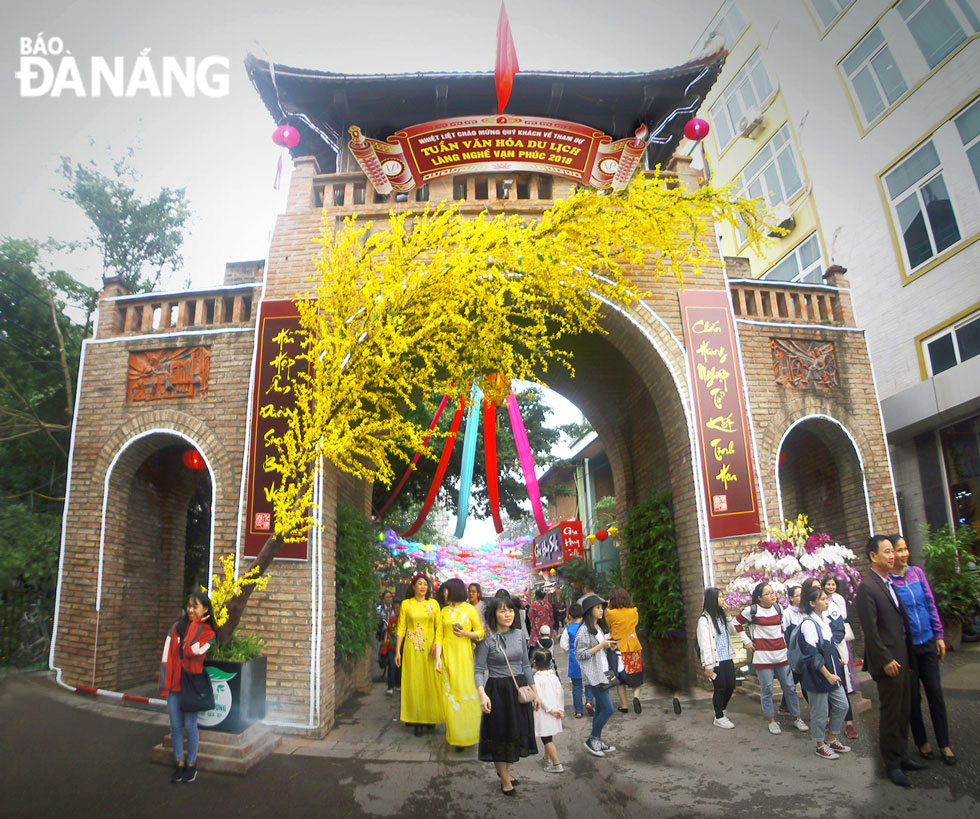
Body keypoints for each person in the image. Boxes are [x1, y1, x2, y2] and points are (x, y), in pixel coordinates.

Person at [855, 535, 926, 787]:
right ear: (873, 556)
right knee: (891, 712)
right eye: (887, 552)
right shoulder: (868, 587)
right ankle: (892, 764)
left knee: (905, 708)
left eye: (892, 551)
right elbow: (870, 631)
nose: (892, 555)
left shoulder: (888, 583)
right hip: (888, 662)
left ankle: (901, 755)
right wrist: (885, 659)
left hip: (904, 657)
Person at [890, 534, 956, 765]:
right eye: (898, 550)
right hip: (907, 649)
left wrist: (939, 635)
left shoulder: (917, 573)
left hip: (927, 642)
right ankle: (921, 741)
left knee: (936, 694)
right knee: (913, 698)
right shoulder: (889, 583)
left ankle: (944, 743)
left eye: (905, 548)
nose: (903, 554)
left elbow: (930, 603)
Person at [474, 593, 539, 795]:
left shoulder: (519, 634)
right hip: (498, 691)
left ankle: (505, 771)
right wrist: (482, 694)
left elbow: (526, 665)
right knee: (500, 735)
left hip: (518, 689)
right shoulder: (487, 637)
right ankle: (504, 779)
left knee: (514, 732)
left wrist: (535, 691)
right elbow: (478, 669)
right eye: (503, 610)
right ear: (494, 614)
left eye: (510, 610)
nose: (508, 614)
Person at [158, 591, 216, 784]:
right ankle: (179, 763)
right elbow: (167, 657)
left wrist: (196, 625)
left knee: (190, 726)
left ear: (205, 609)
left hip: (190, 686)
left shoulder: (208, 633)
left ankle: (192, 765)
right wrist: (164, 685)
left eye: (195, 606)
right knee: (175, 726)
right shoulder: (176, 628)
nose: (190, 610)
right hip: (174, 685)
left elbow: (192, 651)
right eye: (189, 606)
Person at [735, 582, 807, 735]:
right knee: (767, 689)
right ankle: (771, 720)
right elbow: (736, 623)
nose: (772, 595)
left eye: (772, 592)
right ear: (759, 598)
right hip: (763, 658)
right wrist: (747, 641)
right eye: (767, 594)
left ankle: (797, 717)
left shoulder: (779, 608)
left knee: (789, 687)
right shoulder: (752, 610)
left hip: (781, 654)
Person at [799, 585, 852, 760]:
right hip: (818, 675)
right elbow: (812, 654)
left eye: (826, 598)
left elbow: (828, 646)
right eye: (822, 599)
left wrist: (837, 660)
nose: (826, 601)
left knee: (842, 705)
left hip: (832, 672)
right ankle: (820, 744)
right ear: (812, 603)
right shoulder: (808, 624)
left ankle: (831, 738)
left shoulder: (824, 620)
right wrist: (827, 674)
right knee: (819, 712)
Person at [433, 577, 484, 750]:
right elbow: (439, 635)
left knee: (467, 695)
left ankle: (470, 734)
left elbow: (480, 632)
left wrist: (466, 635)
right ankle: (456, 736)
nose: (444, 593)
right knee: (451, 696)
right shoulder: (444, 612)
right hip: (448, 659)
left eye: (446, 589)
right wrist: (438, 658)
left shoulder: (469, 609)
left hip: (465, 659)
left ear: (453, 590)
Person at [395, 572, 445, 737]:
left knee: (430, 683)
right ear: (413, 586)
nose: (423, 587)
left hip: (430, 649)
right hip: (411, 649)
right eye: (420, 583)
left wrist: (436, 646)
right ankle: (416, 719)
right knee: (414, 682)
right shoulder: (406, 604)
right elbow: (401, 628)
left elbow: (440, 628)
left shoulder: (434, 604)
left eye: (425, 584)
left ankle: (430, 717)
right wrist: (398, 651)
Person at [575, 593, 619, 757]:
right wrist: (601, 645)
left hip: (604, 672)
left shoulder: (597, 628)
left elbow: (599, 648)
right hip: (594, 675)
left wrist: (609, 646)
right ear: (589, 610)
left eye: (602, 608)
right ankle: (592, 739)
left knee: (601, 708)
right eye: (598, 608)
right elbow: (580, 654)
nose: (601, 611)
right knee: (608, 709)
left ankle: (597, 741)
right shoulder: (584, 631)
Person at [821, 575, 859, 740]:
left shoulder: (834, 607)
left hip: (835, 653)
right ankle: (828, 721)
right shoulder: (810, 614)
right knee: (823, 689)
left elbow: (838, 631)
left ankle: (849, 723)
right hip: (821, 656)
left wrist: (832, 652)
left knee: (840, 688)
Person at [696, 587, 737, 728]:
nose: (723, 599)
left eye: (722, 596)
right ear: (712, 600)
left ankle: (721, 709)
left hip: (727, 657)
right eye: (720, 597)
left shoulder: (721, 616)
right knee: (720, 687)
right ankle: (718, 716)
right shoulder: (704, 620)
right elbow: (705, 644)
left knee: (731, 684)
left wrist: (728, 614)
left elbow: (733, 632)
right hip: (715, 660)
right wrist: (708, 665)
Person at [606, 587, 644, 714]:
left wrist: (608, 607)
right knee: (636, 674)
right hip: (633, 646)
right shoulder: (634, 611)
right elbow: (636, 624)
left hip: (618, 648)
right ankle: (636, 697)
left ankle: (624, 705)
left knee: (620, 679)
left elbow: (608, 624)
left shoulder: (611, 613)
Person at [531, 648, 565, 773]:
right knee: (548, 735)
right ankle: (546, 758)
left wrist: (550, 710)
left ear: (534, 662)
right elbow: (560, 692)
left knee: (546, 737)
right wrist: (560, 709)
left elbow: (539, 697)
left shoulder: (536, 678)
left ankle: (557, 764)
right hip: (555, 710)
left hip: (545, 712)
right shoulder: (553, 676)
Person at [558, 602, 592, 718]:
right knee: (589, 683)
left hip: (575, 660)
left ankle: (578, 711)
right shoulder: (588, 627)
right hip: (588, 658)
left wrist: (570, 650)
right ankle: (589, 701)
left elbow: (564, 646)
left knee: (576, 686)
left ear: (570, 616)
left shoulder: (568, 629)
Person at [383, 600, 402, 695]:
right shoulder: (393, 619)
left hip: (402, 646)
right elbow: (389, 631)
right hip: (392, 646)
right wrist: (386, 640)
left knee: (400, 667)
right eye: (395, 608)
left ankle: (399, 685)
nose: (396, 610)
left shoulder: (405, 619)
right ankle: (390, 686)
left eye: (398, 608)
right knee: (391, 665)